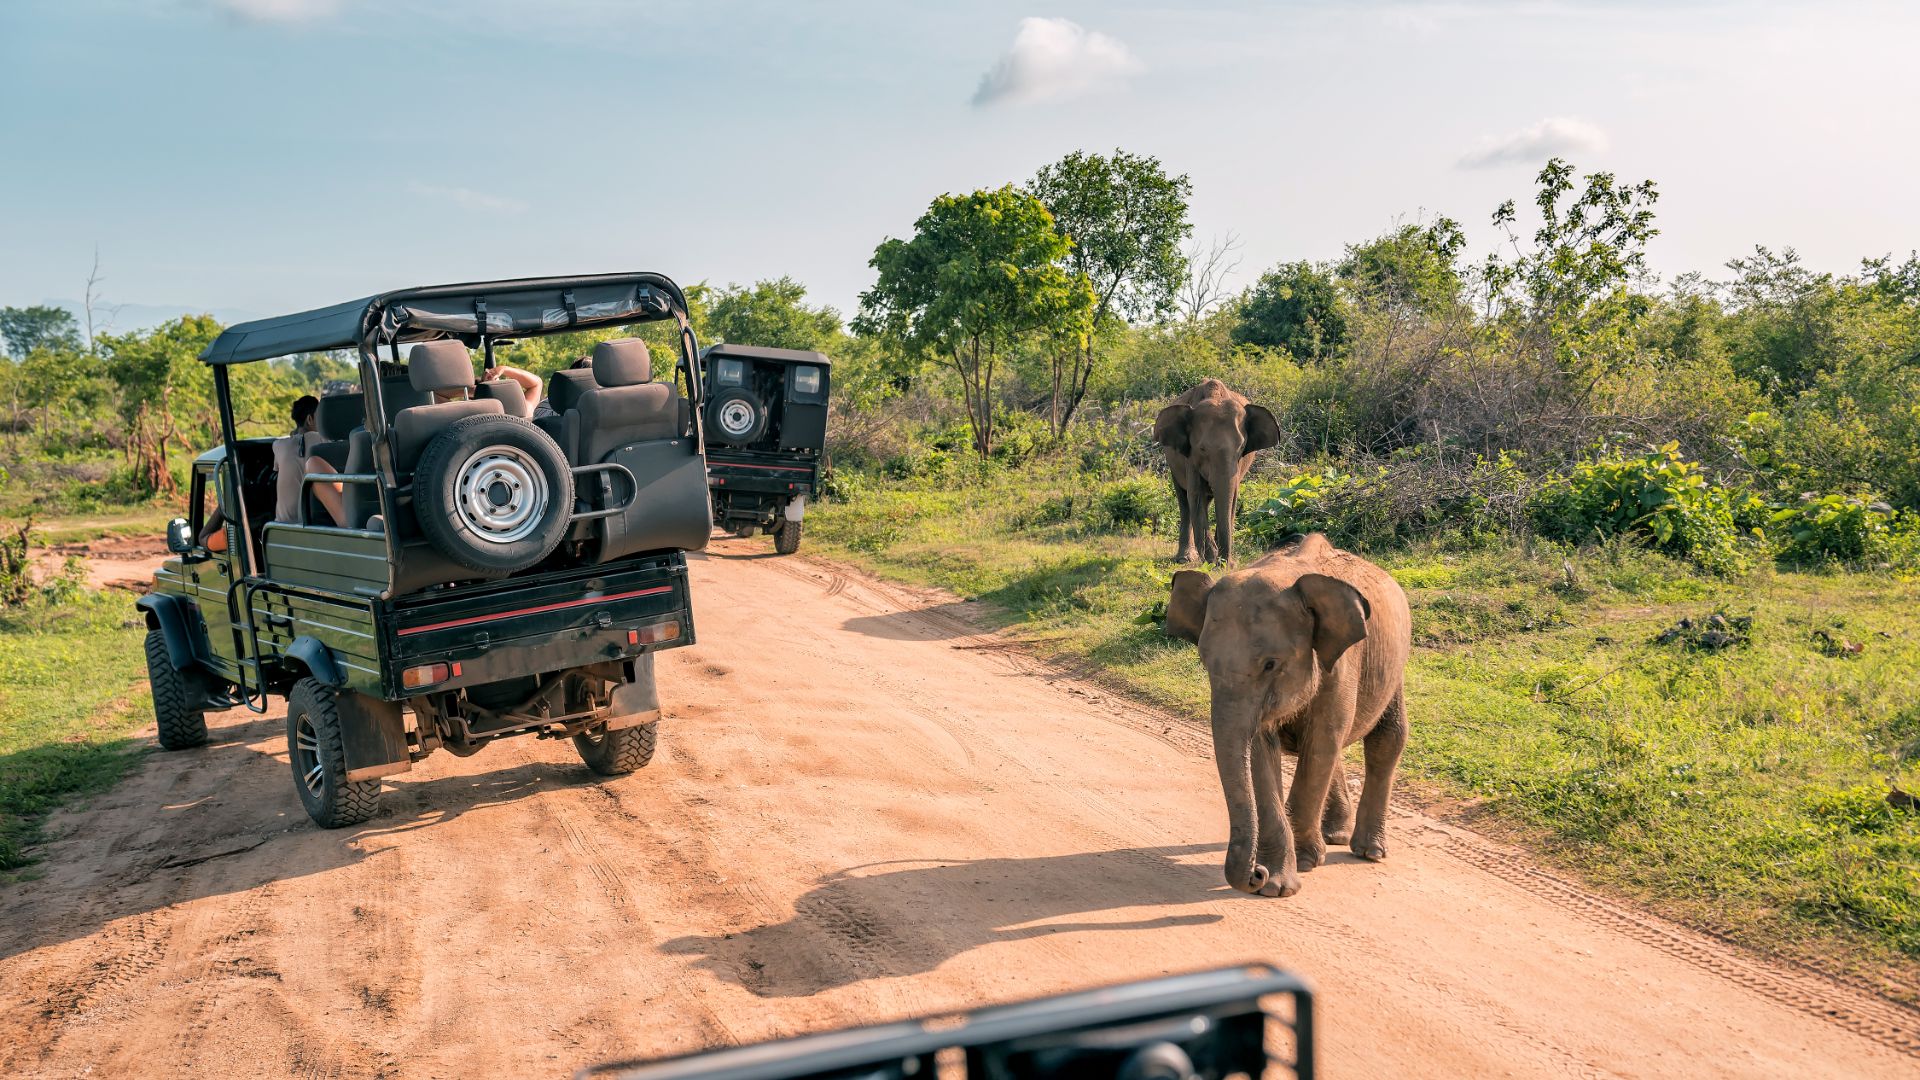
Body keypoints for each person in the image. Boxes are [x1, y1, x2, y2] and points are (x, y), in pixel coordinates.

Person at [272, 395, 321, 522]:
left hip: (284, 525)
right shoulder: (324, 441)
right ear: (310, 419)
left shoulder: (278, 445)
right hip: (314, 522)